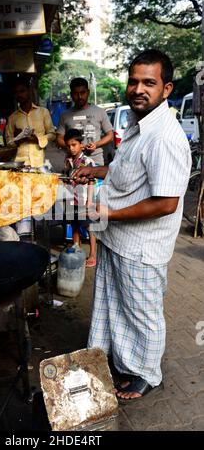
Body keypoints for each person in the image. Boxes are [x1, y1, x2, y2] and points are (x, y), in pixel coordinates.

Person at [72, 50, 191, 402]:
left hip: (141, 246)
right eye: (134, 81)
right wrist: (97, 171)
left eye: (149, 83)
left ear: (166, 88)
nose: (139, 89)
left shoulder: (165, 137)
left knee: (142, 313)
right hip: (119, 240)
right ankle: (122, 360)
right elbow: (129, 171)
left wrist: (106, 214)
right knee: (115, 304)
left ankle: (146, 374)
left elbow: (166, 203)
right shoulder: (139, 126)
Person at [56, 77, 114, 166]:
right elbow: (59, 139)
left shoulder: (100, 112)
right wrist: (74, 147)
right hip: (73, 163)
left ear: (88, 92)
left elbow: (110, 136)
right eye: (76, 93)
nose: (80, 97)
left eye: (82, 93)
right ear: (71, 94)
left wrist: (96, 145)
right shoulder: (65, 115)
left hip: (96, 162)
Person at [63, 128, 97, 267]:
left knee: (90, 225)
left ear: (81, 144)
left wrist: (89, 201)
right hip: (73, 198)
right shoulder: (68, 161)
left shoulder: (87, 161)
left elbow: (91, 182)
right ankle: (77, 246)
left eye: (74, 145)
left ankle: (93, 253)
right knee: (75, 223)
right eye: (68, 145)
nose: (71, 148)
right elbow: (66, 178)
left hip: (84, 198)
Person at [6, 76, 55, 167]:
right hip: (20, 164)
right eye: (16, 92)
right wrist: (18, 140)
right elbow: (8, 142)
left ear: (29, 91)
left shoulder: (43, 112)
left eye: (22, 91)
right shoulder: (12, 118)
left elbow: (52, 134)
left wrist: (38, 139)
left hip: (40, 163)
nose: (19, 95)